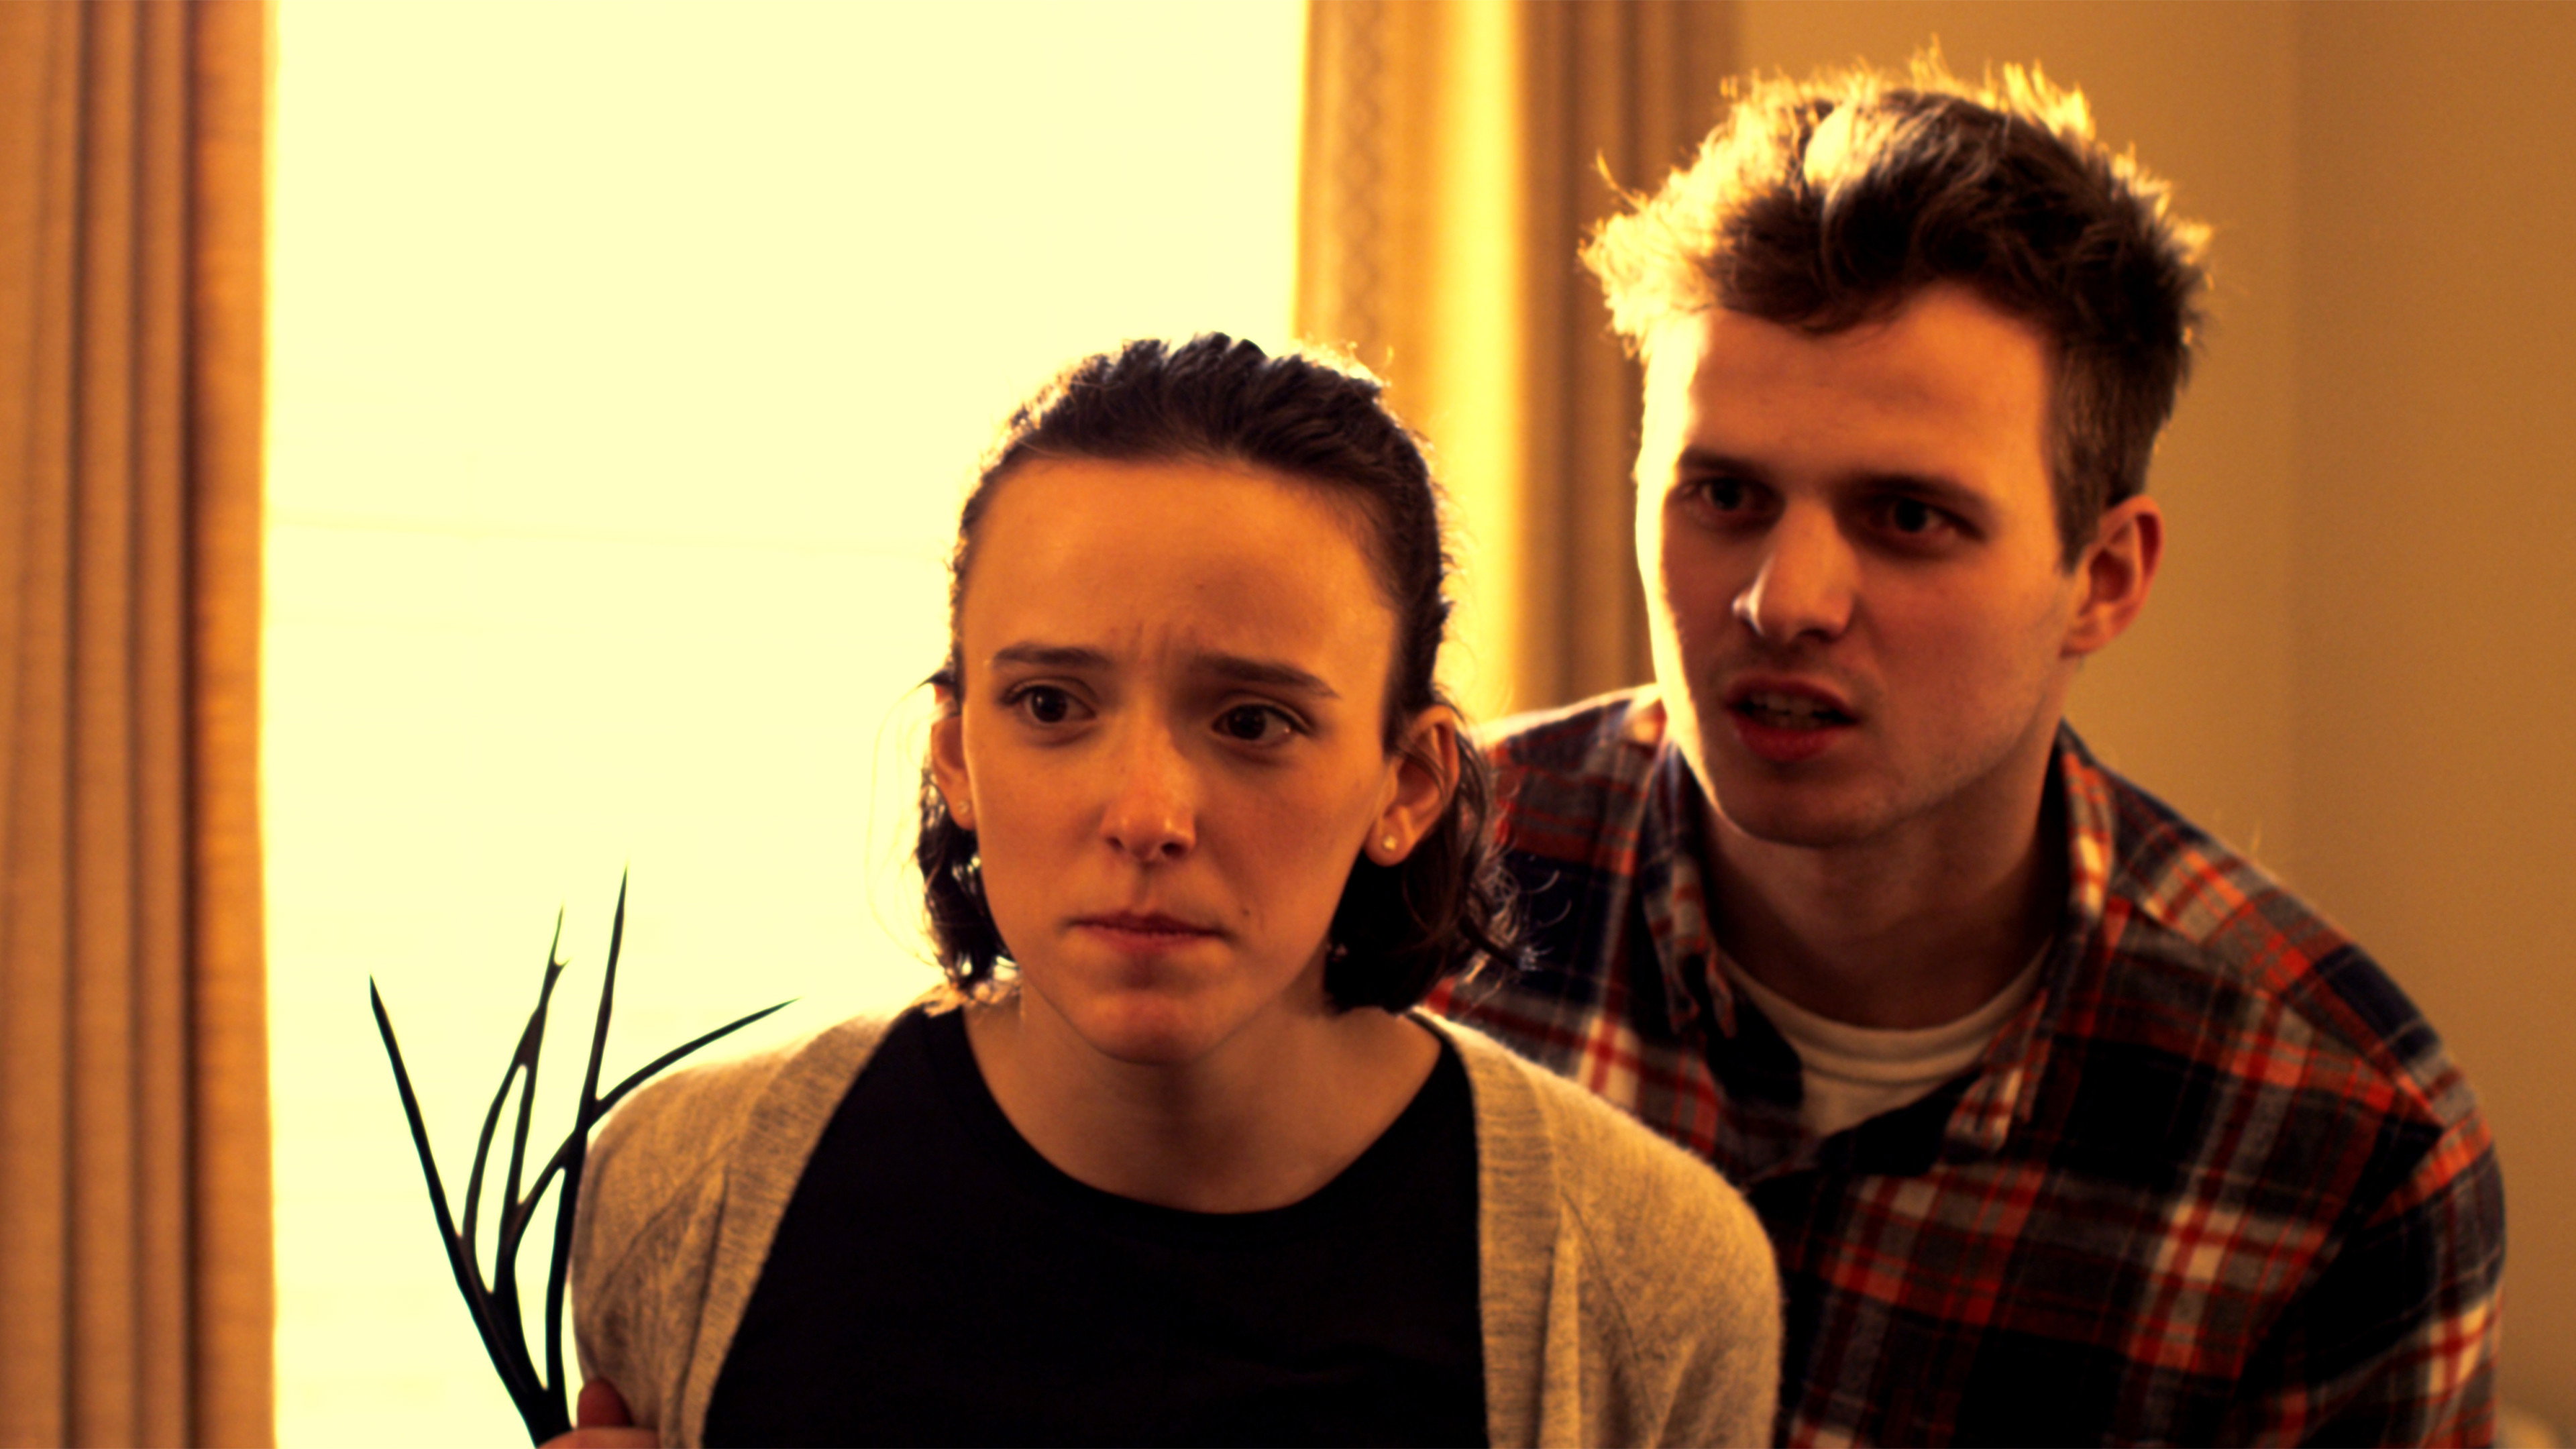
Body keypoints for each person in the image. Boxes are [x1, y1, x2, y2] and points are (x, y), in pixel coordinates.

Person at [1426, 61, 2506, 1446]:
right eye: (1724, 493)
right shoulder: (1412, 886)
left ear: (2103, 578)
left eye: (1907, 518)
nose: (1783, 599)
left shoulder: (2344, 1151)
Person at [561, 335, 1781, 1448]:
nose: (1146, 815)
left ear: (1407, 784)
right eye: (1051, 706)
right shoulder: (684, 1191)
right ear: (956, 757)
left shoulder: (1649, 1288)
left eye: (1252, 722)